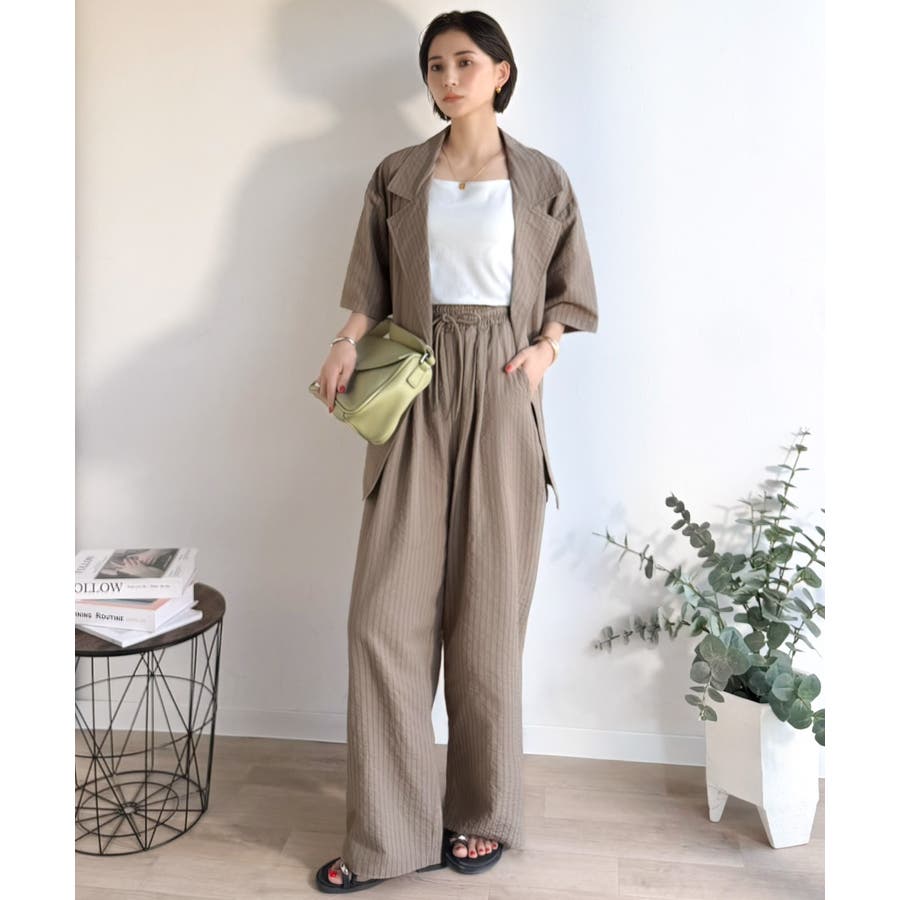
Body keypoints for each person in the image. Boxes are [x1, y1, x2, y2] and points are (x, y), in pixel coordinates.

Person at [313, 9, 598, 894]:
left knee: (486, 616)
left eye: (465, 62)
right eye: (435, 65)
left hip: (504, 389)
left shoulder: (542, 178)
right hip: (415, 380)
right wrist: (345, 341)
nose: (447, 79)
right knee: (383, 619)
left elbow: (571, 290)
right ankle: (387, 834)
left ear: (501, 73)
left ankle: (482, 812)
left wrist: (545, 351)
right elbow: (371, 279)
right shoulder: (398, 175)